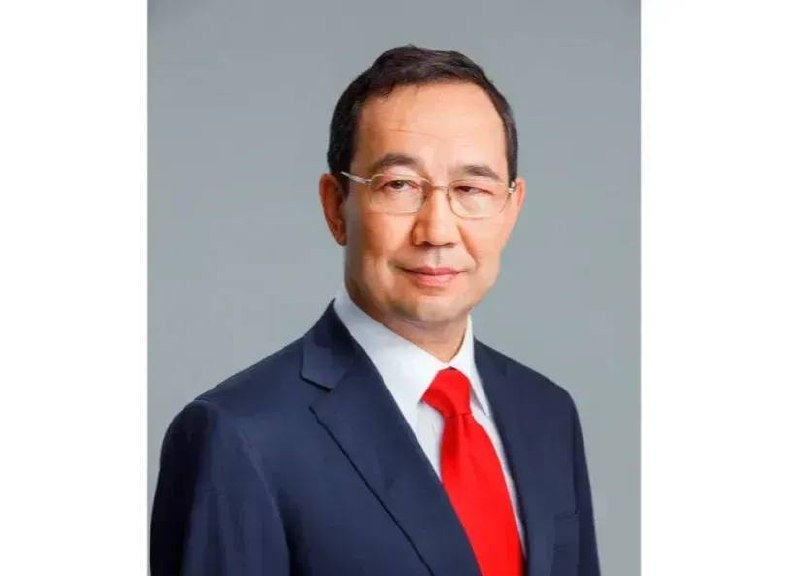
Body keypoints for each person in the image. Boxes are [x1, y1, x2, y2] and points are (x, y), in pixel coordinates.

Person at [151, 45, 601, 576]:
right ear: (335, 207)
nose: (437, 231)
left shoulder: (548, 414)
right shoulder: (238, 435)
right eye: (399, 186)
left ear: (511, 208)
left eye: (471, 188)